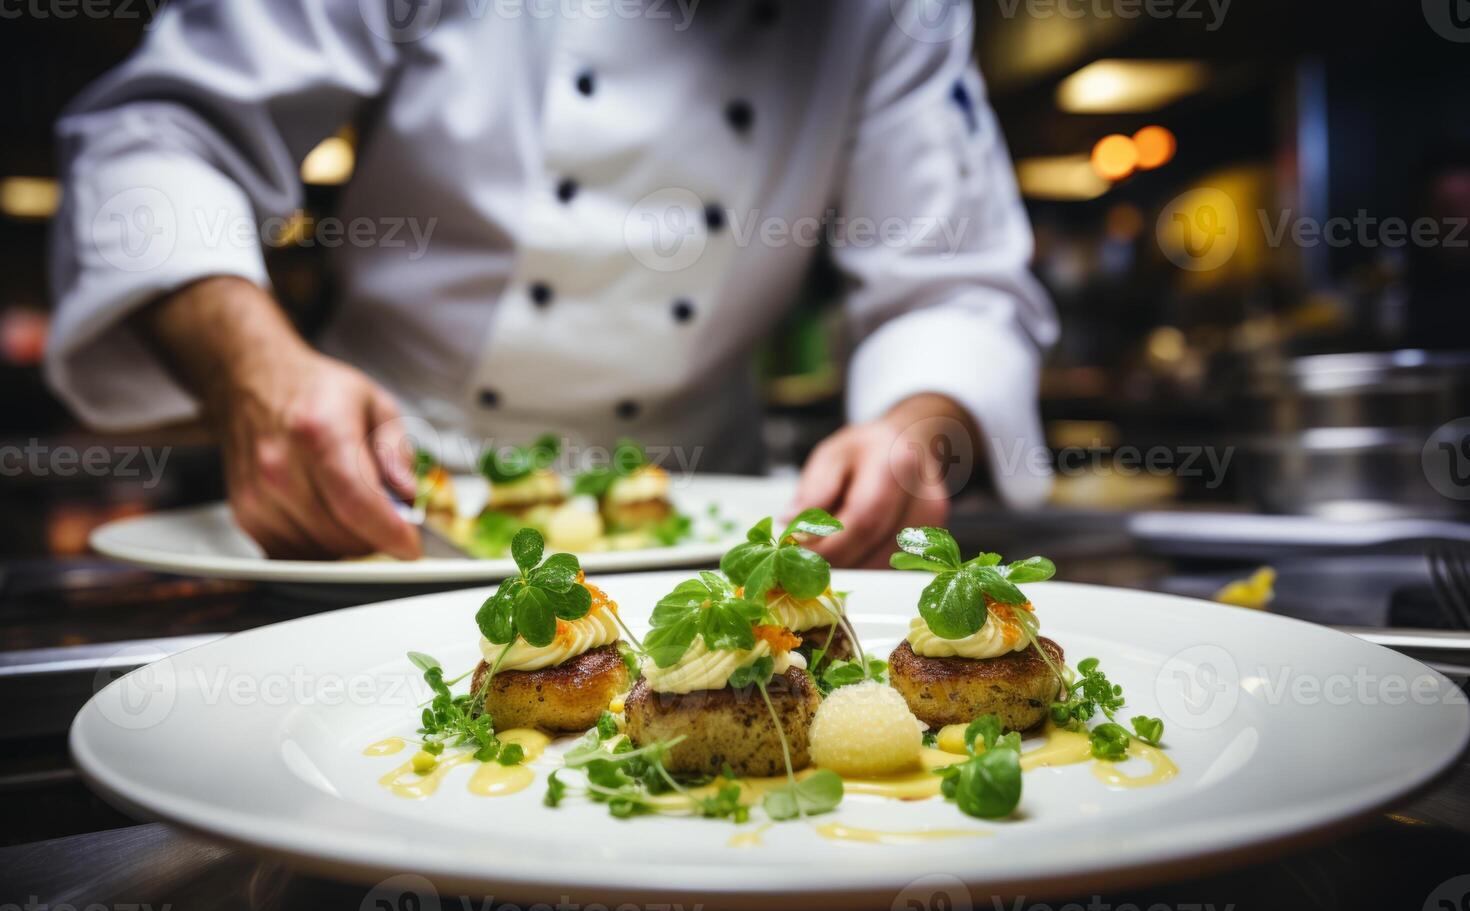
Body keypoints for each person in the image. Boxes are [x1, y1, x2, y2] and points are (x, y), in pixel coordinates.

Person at [46, 0, 1057, 567]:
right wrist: (254, 372)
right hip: (376, 511)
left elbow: (953, 283)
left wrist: (912, 430)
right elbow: (157, 138)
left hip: (705, 550)